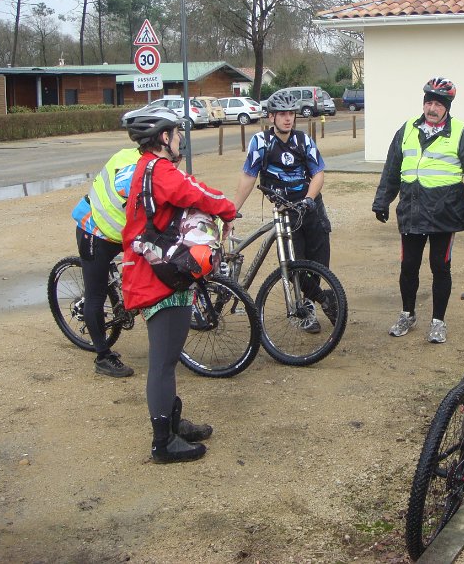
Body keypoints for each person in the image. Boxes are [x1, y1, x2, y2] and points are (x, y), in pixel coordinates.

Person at [121, 106, 237, 464]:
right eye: (176, 133)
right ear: (163, 138)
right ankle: (163, 443)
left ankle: (172, 422)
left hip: (153, 271)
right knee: (163, 363)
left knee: (167, 358)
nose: (180, 139)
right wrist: (228, 209)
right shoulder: (159, 170)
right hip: (159, 279)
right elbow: (194, 192)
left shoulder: (146, 168)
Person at [372, 77, 464, 344]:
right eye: (429, 102)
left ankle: (438, 321)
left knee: (440, 266)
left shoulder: (461, 131)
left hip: (444, 213)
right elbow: (392, 168)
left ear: (447, 107)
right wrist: (382, 201)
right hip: (411, 210)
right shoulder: (407, 129)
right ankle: (407, 314)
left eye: (438, 103)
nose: (432, 108)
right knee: (408, 266)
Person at [233, 91, 335, 331]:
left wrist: (309, 199)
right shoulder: (261, 143)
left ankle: (312, 299)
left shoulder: (303, 140)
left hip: (311, 208)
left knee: (318, 263)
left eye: (291, 114)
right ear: (271, 117)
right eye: (282, 114)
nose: (288, 119)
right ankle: (312, 305)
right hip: (284, 212)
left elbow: (318, 173)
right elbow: (249, 176)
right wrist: (232, 210)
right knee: (292, 265)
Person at [71, 146, 140, 377]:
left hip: (117, 231)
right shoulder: (132, 169)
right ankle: (103, 356)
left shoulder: (139, 156)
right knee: (96, 295)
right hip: (94, 230)